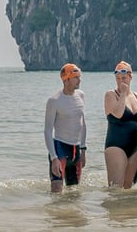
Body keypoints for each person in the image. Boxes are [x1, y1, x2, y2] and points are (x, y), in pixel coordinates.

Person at [45, 63, 87, 193]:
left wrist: (83, 149)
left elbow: (83, 123)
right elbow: (47, 130)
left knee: (74, 192)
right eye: (76, 77)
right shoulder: (54, 100)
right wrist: (54, 158)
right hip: (60, 148)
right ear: (66, 79)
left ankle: (71, 214)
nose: (79, 80)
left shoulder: (80, 95)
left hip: (75, 150)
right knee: (57, 190)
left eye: (79, 77)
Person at [104, 60, 137, 188]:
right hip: (116, 145)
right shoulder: (111, 95)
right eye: (118, 78)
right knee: (115, 188)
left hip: (135, 147)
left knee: (128, 189)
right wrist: (122, 94)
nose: (121, 81)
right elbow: (118, 114)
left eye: (124, 77)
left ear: (130, 76)